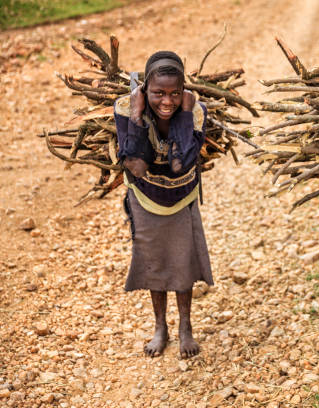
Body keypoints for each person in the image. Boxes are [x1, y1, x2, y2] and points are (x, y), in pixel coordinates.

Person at [113, 51, 214, 359]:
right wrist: (136, 115)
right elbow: (137, 164)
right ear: (145, 91)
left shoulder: (196, 111)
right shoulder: (124, 107)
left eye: (174, 93)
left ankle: (185, 327)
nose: (166, 101)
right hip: (144, 197)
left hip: (181, 196)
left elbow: (180, 163)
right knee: (154, 261)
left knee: (183, 261)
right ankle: (161, 327)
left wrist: (184, 114)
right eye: (158, 93)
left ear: (184, 92)